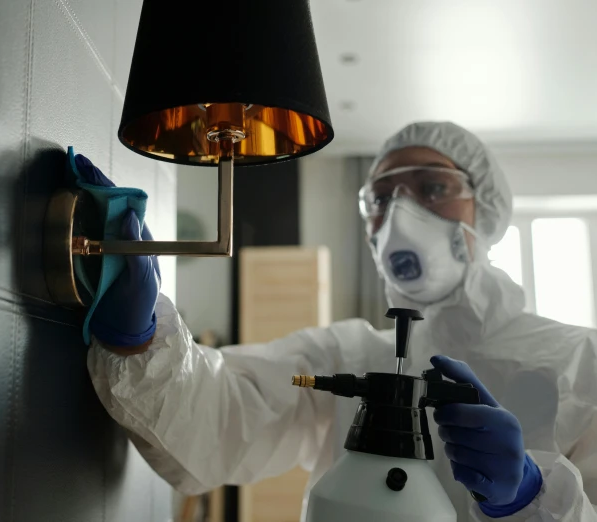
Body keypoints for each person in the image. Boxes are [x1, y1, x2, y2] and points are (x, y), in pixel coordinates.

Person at [82, 122, 597, 521]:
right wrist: (143, 339)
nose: (401, 212)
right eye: (381, 197)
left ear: (484, 210)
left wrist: (532, 499)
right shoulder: (349, 357)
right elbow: (225, 417)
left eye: (433, 188)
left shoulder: (581, 361)